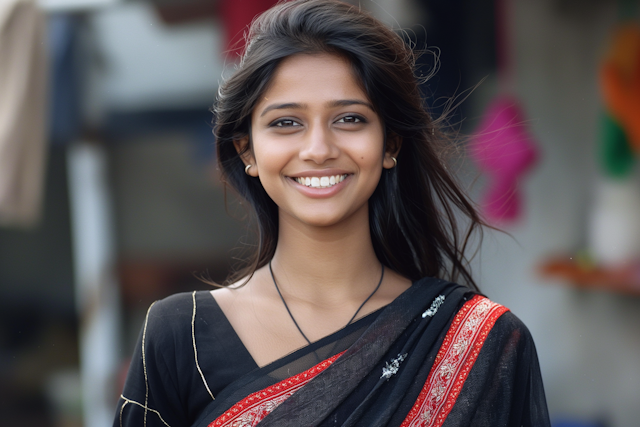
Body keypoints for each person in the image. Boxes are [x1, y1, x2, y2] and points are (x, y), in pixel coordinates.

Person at [114, 1, 551, 426]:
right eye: (286, 123)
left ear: (390, 144)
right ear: (246, 149)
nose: (319, 150)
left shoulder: (480, 341)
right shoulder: (179, 337)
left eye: (349, 119)